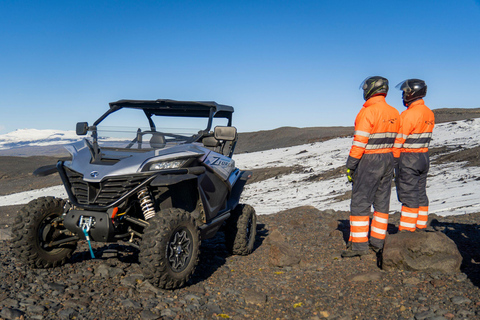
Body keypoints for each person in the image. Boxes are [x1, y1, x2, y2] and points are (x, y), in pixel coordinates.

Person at [342, 76, 400, 257]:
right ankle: (378, 241)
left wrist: (351, 165)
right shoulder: (394, 112)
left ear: (371, 89)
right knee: (382, 203)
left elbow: (360, 142)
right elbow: (397, 142)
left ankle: (359, 247)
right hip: (388, 159)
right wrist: (394, 162)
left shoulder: (367, 112)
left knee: (360, 202)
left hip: (369, 161)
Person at [393, 79, 435, 232]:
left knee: (409, 194)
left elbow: (399, 140)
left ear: (412, 93)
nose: (403, 95)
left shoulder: (408, 115)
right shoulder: (429, 113)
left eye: (405, 92)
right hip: (424, 157)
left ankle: (406, 231)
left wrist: (394, 160)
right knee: (421, 192)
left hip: (409, 158)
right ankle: (421, 225)